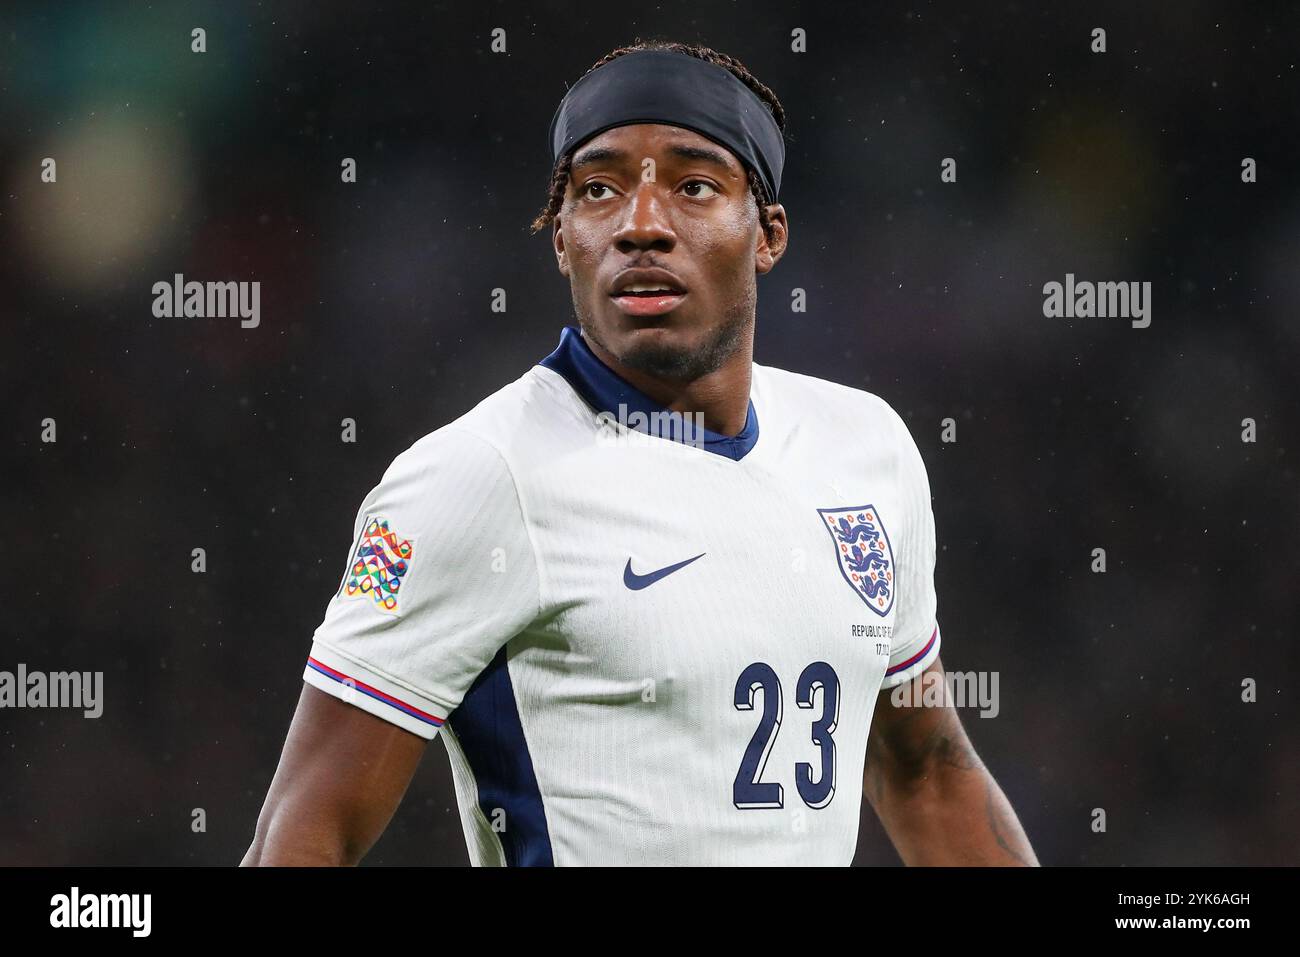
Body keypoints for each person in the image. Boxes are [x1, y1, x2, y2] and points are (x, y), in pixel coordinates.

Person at [242, 39, 1038, 866]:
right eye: (597, 189)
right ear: (560, 240)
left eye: (693, 185)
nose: (641, 225)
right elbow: (305, 832)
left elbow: (926, 771)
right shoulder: (477, 477)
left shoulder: (866, 448)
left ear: (767, 234)